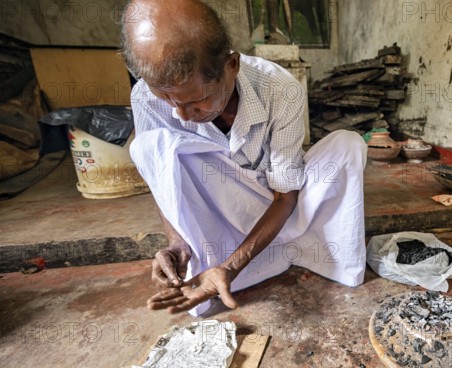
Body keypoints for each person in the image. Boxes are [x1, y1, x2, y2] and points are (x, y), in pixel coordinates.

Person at [120, 0, 367, 316]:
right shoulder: (144, 97)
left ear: (231, 66)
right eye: (166, 98)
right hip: (223, 222)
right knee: (151, 146)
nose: (181, 114)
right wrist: (178, 242)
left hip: (283, 206)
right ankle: (215, 269)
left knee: (347, 146)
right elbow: (165, 179)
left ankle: (301, 255)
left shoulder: (279, 88)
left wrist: (233, 266)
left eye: (198, 100)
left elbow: (284, 196)